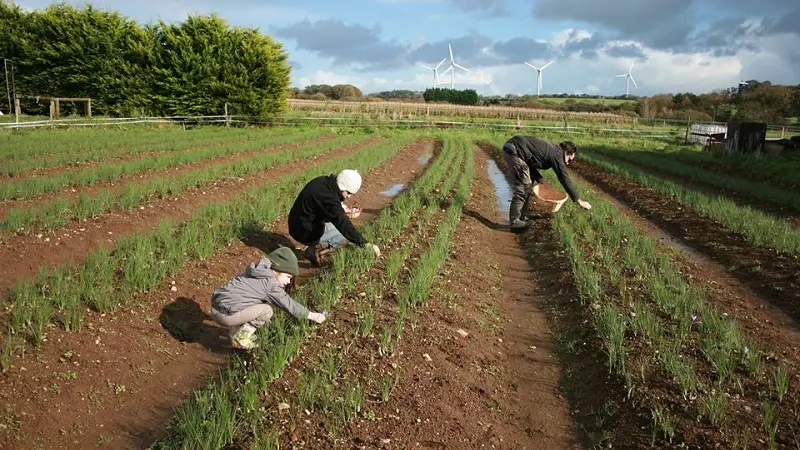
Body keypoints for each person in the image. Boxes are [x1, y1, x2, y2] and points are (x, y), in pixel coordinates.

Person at [210, 247, 327, 350]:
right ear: (276, 271)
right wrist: (312, 315)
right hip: (225, 316)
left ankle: (234, 331)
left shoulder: (258, 270)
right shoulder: (270, 283)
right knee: (266, 311)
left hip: (216, 307)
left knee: (254, 302)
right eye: (288, 277)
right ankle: (240, 338)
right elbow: (289, 305)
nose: (288, 281)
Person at [288, 169, 380, 265]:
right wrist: (364, 243)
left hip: (298, 222)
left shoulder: (323, 182)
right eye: (348, 193)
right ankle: (313, 249)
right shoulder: (329, 198)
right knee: (345, 235)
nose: (349, 196)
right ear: (341, 187)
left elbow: (325, 209)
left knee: (343, 229)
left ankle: (315, 245)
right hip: (303, 231)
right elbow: (342, 223)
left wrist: (340, 209)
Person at [501, 136, 592, 230]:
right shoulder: (557, 154)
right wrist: (578, 200)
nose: (568, 163)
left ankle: (522, 217)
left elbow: (530, 162)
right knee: (524, 187)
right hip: (515, 150)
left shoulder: (554, 151)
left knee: (528, 183)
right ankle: (515, 222)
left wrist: (540, 179)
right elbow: (564, 178)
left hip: (514, 149)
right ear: (567, 152)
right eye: (569, 160)